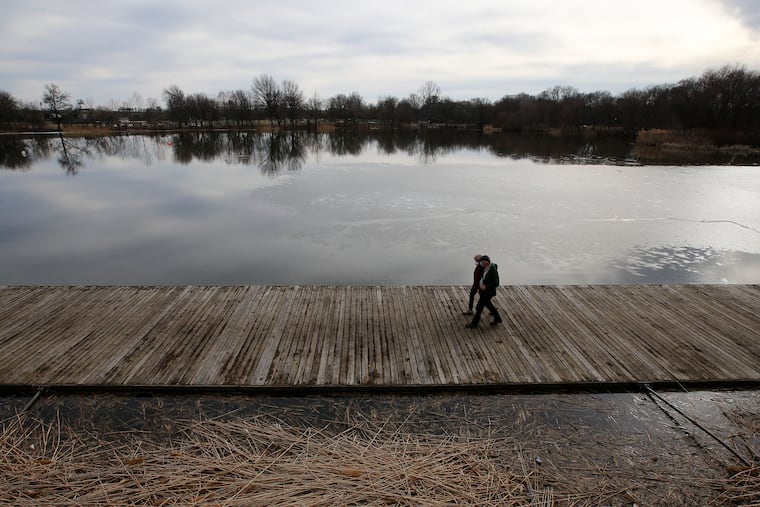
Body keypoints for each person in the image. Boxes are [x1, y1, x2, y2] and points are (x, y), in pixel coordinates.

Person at [465, 255, 503, 328]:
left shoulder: (492, 270)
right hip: (483, 291)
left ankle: (474, 323)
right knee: (489, 306)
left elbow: (496, 283)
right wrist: (480, 287)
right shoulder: (485, 268)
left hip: (488, 292)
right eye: (480, 262)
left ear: (487, 262)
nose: (480, 263)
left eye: (482, 262)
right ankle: (498, 319)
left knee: (479, 308)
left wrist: (486, 286)